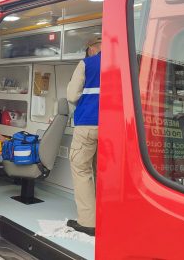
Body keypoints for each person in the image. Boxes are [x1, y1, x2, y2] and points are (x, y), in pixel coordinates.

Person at [66, 37, 102, 236]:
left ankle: (88, 222)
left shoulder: (87, 63)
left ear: (91, 48)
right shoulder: (124, 62)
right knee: (101, 172)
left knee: (81, 169)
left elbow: (72, 96)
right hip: (113, 127)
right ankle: (105, 216)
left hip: (87, 124)